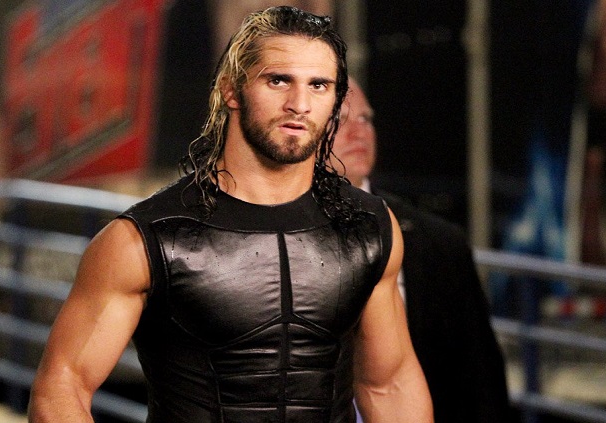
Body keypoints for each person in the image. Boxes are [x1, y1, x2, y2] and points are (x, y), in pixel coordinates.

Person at [28, 6, 433, 423]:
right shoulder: (143, 241)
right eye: (278, 81)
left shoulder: (367, 226)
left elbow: (389, 385)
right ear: (231, 90)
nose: (299, 104)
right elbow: (61, 388)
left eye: (318, 85)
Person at [333, 78, 515, 422]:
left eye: (366, 119)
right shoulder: (275, 236)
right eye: (340, 121)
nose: (359, 133)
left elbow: (481, 377)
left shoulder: (439, 243)